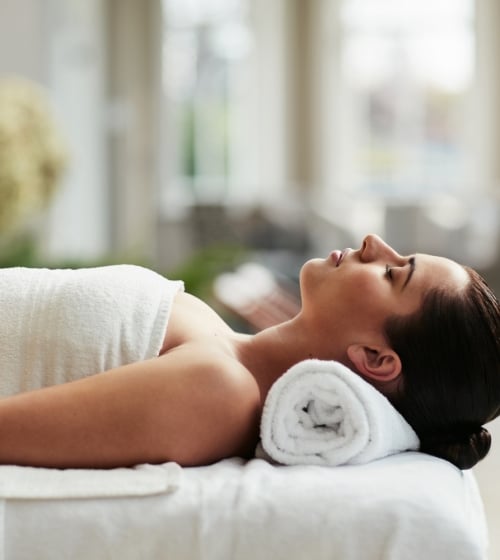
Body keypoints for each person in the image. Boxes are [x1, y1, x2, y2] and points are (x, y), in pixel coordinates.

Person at [0, 233, 498, 470]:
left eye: (394, 273)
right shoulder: (217, 341)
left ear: (375, 358)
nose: (374, 243)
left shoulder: (218, 394)